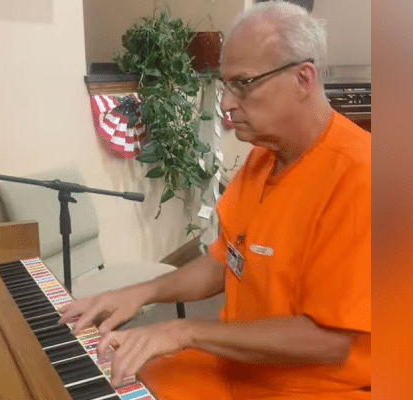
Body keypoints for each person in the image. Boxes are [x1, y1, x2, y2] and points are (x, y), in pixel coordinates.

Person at [59, 2, 370, 399]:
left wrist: (185, 330)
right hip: (238, 366)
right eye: (226, 86)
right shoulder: (262, 157)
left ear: (303, 78)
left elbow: (330, 341)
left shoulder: (360, 176)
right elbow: (226, 262)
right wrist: (139, 293)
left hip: (312, 386)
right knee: (114, 374)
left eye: (243, 83)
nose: (225, 104)